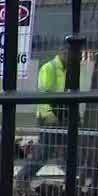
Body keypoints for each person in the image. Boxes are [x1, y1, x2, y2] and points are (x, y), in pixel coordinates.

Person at [17, 52, 67, 187]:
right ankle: (22, 179)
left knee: (67, 151)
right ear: (65, 52)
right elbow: (43, 93)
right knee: (44, 152)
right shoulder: (49, 68)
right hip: (50, 118)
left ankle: (73, 184)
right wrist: (48, 114)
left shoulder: (65, 70)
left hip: (62, 117)